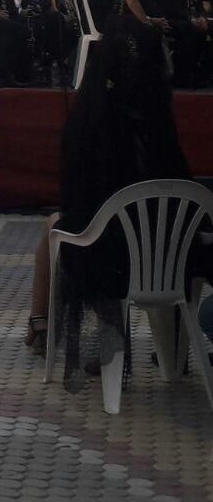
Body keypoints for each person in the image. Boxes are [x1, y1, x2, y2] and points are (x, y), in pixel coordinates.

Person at [24, 28, 208, 382]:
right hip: (169, 263)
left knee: (57, 225)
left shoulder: (88, 128)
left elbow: (79, 204)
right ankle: (173, 353)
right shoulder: (160, 127)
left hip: (107, 261)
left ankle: (43, 324)